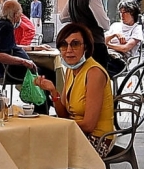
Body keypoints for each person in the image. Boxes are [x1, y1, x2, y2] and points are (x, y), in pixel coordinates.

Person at [35, 22, 114, 155]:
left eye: (75, 44)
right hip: (76, 133)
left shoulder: (94, 73)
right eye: (64, 45)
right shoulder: (71, 70)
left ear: (86, 48)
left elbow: (89, 125)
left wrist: (58, 126)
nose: (69, 50)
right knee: (33, 142)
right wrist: (53, 91)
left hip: (98, 140)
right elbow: (64, 115)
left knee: (43, 149)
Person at [65, 0, 119, 74]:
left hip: (79, 44)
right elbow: (105, 24)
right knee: (98, 80)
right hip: (95, 46)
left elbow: (63, 17)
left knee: (81, 79)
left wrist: (79, 16)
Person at [0, 0, 33, 84]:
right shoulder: (6, 27)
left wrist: (35, 48)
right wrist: (23, 61)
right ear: (15, 15)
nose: (20, 17)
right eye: (20, 14)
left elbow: (10, 46)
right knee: (48, 73)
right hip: (8, 72)